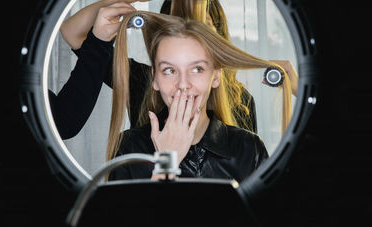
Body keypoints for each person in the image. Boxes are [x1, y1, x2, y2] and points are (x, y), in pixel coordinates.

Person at [56, 0, 260, 139]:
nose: (188, 36)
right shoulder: (140, 80)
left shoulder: (241, 102)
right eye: (177, 25)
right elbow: (72, 32)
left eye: (202, 27)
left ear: (219, 37)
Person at [106, 11, 293, 182]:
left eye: (197, 69)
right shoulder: (128, 148)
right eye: (170, 70)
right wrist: (167, 161)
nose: (183, 84)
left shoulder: (249, 149)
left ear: (216, 76)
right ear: (154, 78)